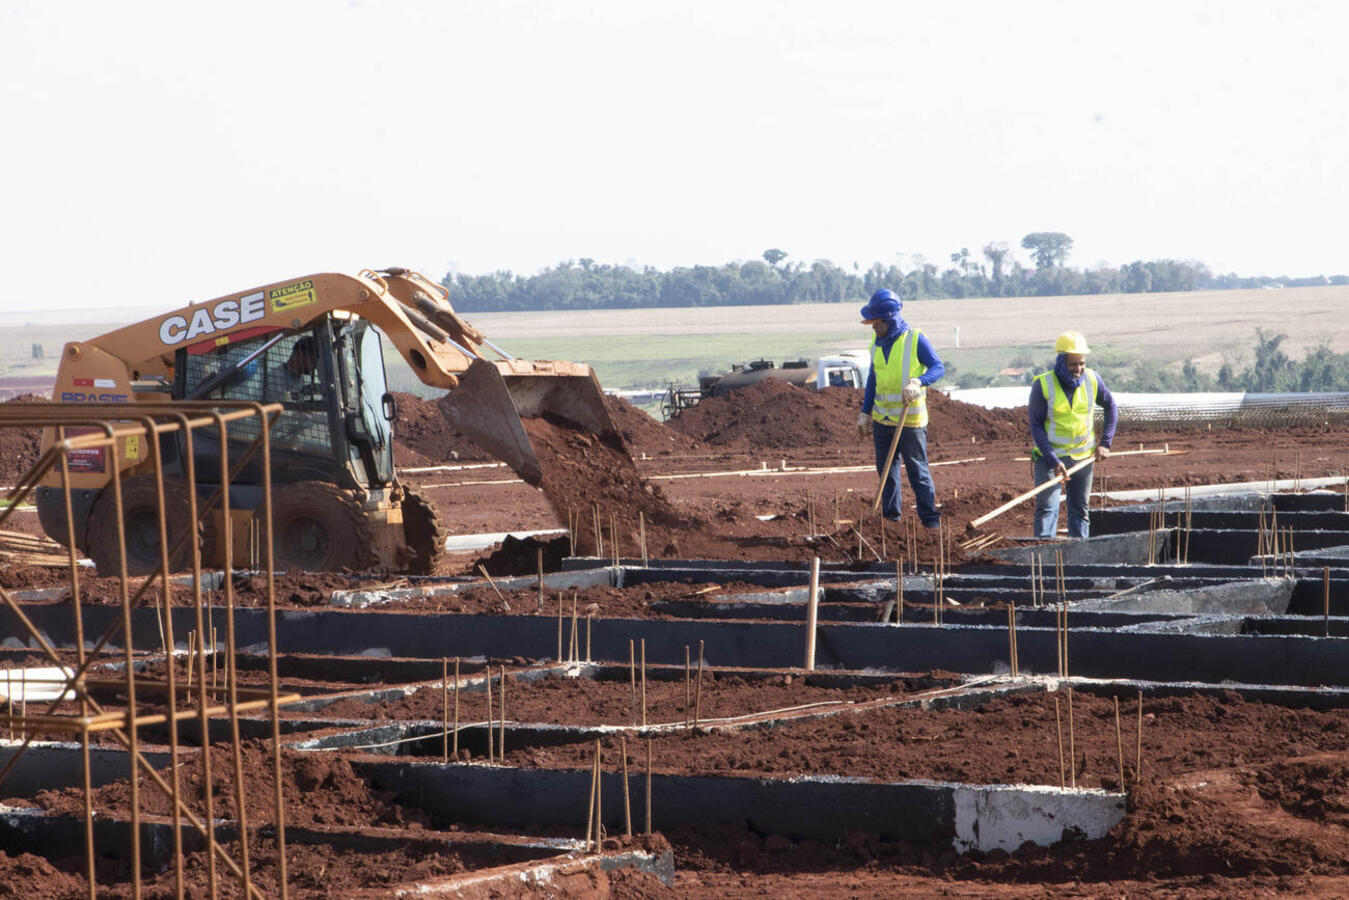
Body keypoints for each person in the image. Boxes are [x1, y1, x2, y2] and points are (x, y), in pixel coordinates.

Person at [855, 289, 945, 528]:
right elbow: (874, 378)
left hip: (910, 422)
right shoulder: (875, 342)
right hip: (882, 420)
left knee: (918, 472)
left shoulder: (915, 339)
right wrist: (865, 412)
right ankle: (891, 521)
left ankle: (930, 522)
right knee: (886, 473)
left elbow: (938, 367)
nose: (873, 327)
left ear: (890, 319)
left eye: (876, 322)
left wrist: (919, 382)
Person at [1028, 331, 1118, 539]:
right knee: (1047, 509)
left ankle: (1080, 553)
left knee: (1080, 511)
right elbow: (1036, 426)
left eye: (1081, 364)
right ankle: (1045, 559)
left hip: (1083, 459)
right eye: (1072, 365)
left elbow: (1111, 406)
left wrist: (1106, 443)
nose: (1078, 370)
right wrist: (1052, 460)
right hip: (1050, 458)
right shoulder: (1043, 385)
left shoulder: (1093, 380)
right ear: (1061, 362)